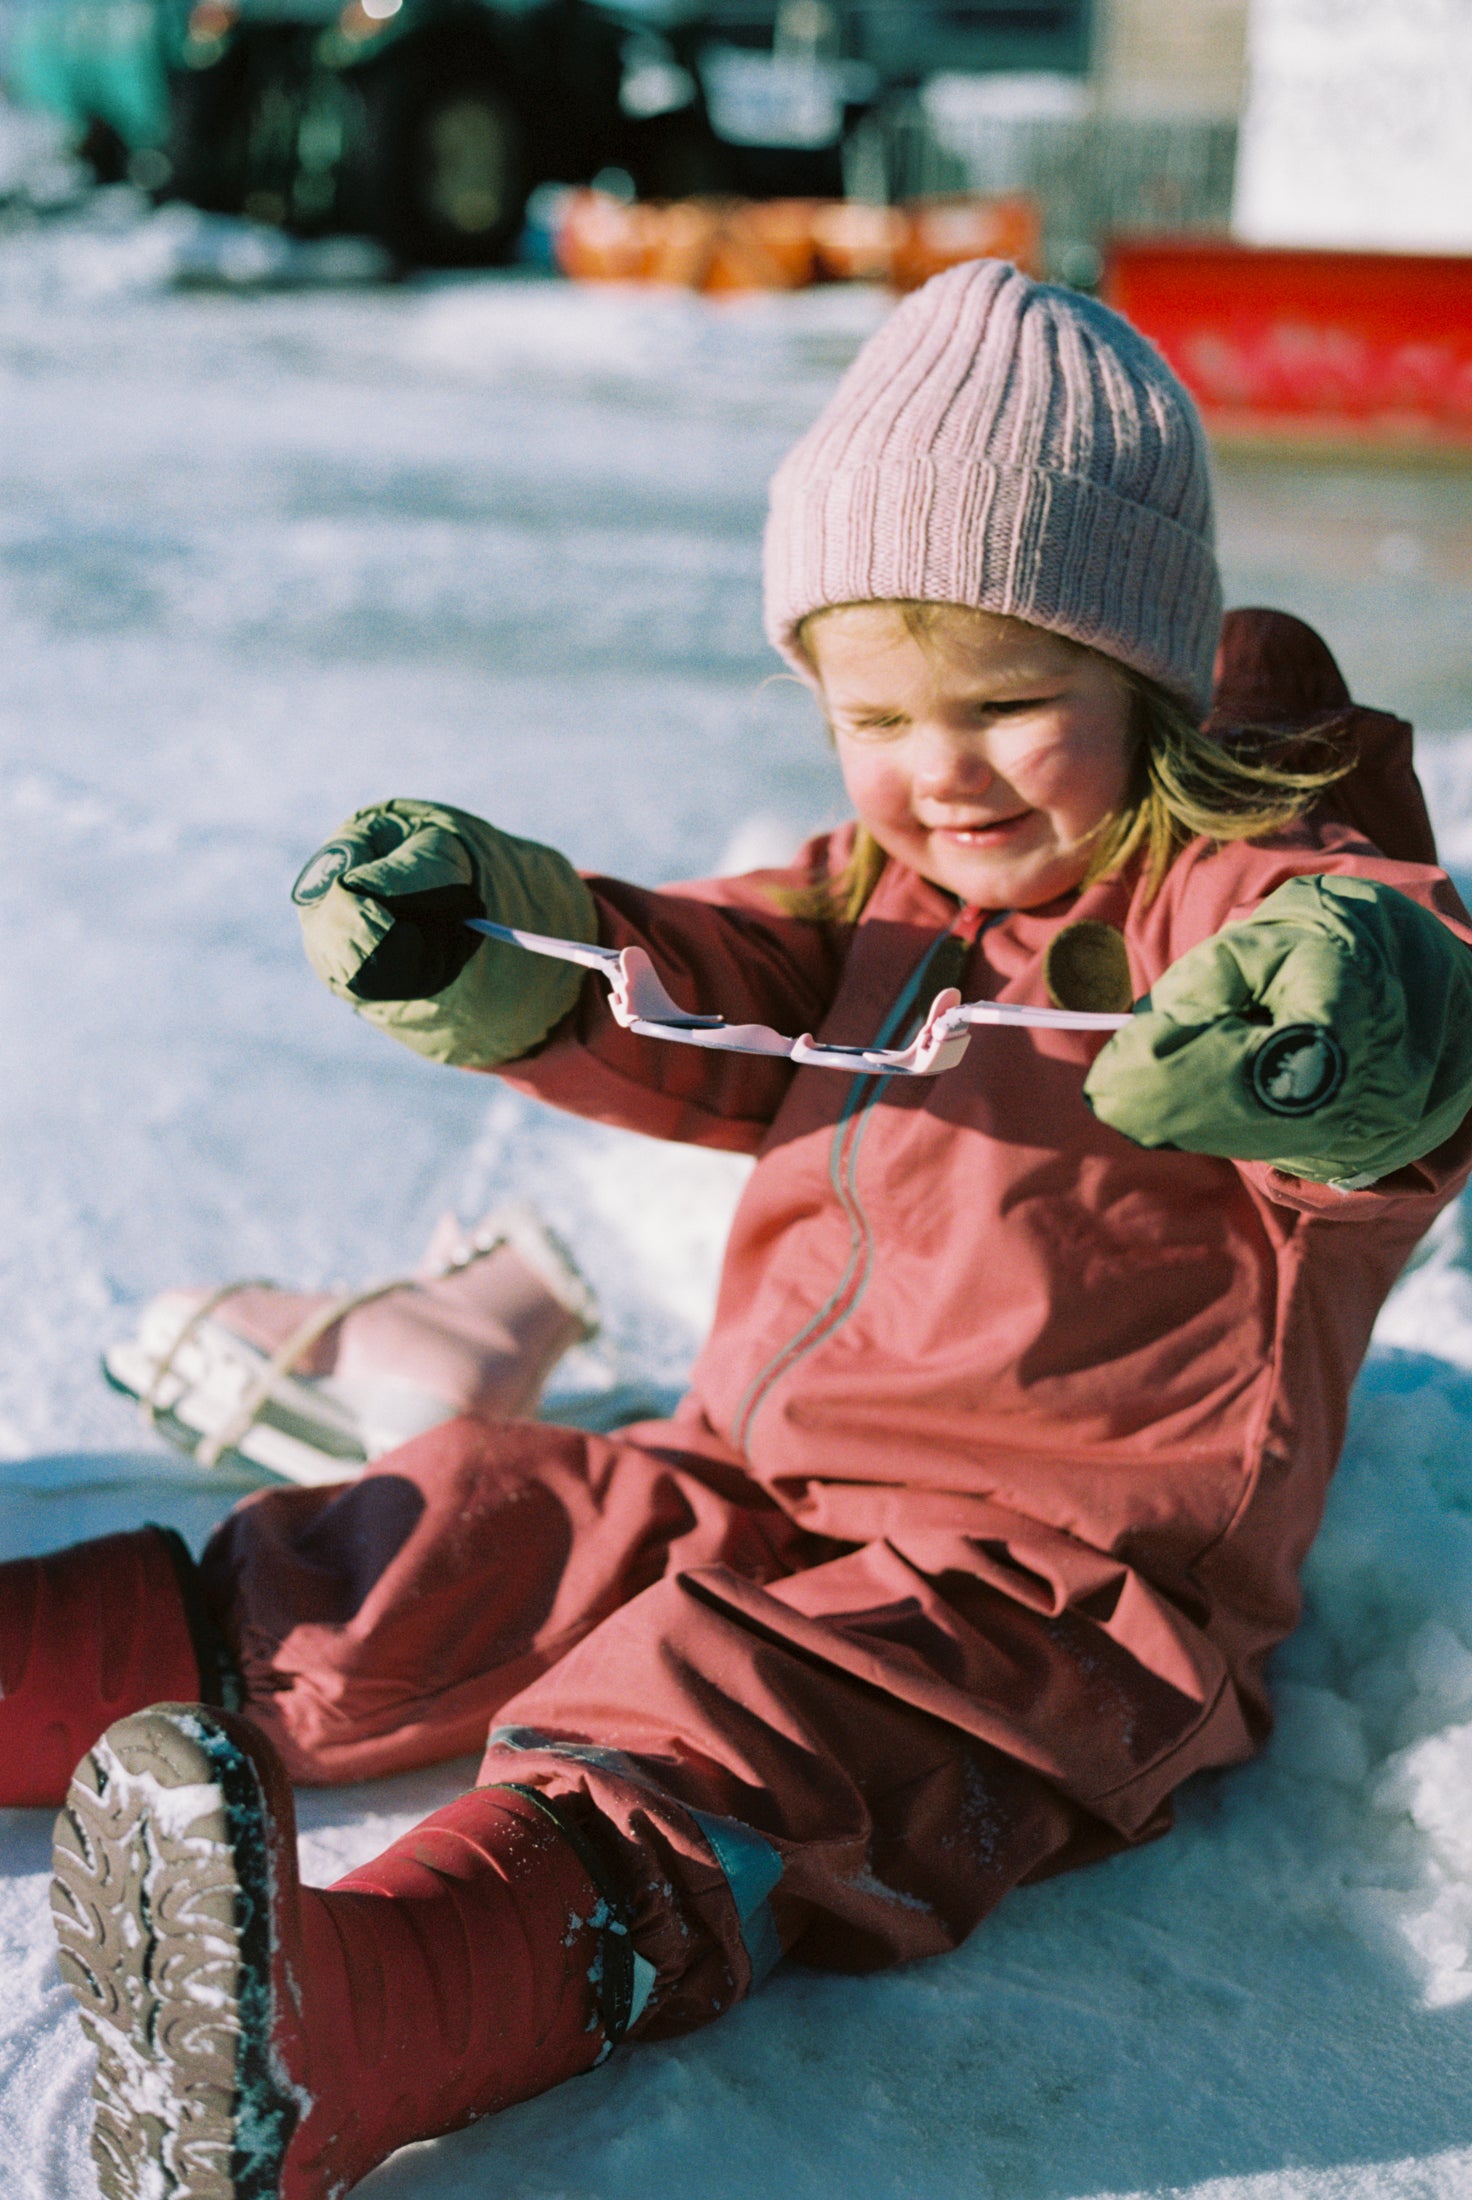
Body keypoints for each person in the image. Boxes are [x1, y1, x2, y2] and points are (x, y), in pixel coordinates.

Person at [21, 260, 1472, 2200]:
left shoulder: (1258, 909)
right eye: (872, 711)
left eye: (1008, 701)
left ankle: (363, 2012)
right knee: (461, 1524)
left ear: (1143, 669)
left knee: (725, 1711)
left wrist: (1327, 1035)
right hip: (757, 1470)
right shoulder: (878, 886)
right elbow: (698, 978)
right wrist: (510, 948)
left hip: (1052, 1591)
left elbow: (1412, 1041)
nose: (937, 764)